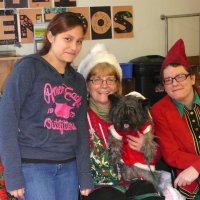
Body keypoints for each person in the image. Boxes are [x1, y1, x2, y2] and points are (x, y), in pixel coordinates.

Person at [0, 12, 93, 200]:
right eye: (68, 39)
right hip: (34, 166)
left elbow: (81, 129)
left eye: (79, 41)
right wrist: (13, 174)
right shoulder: (28, 68)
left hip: (69, 167)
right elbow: (7, 121)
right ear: (51, 36)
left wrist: (84, 174)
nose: (74, 47)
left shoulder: (78, 81)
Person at [77, 43, 163, 200]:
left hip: (137, 180)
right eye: (97, 79)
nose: (104, 85)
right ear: (87, 85)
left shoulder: (136, 110)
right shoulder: (79, 116)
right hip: (99, 186)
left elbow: (156, 155)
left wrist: (146, 146)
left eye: (110, 79)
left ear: (118, 85)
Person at [151, 39, 200, 199]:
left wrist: (198, 166)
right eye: (168, 80)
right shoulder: (159, 111)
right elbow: (171, 154)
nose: (174, 84)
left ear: (192, 78)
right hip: (190, 181)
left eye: (180, 77)